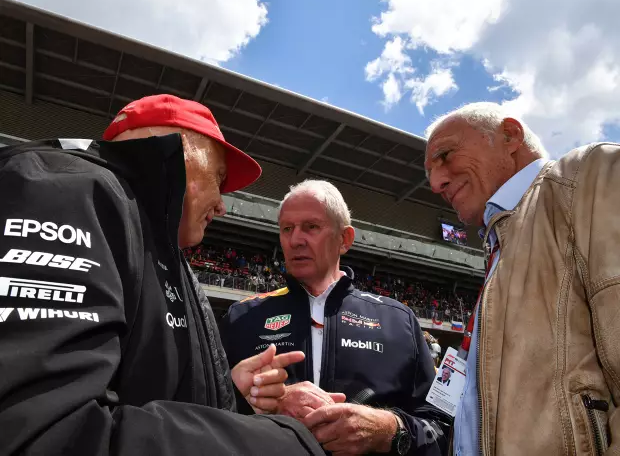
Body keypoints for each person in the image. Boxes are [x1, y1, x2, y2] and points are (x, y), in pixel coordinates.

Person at [0, 94, 324, 455]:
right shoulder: (68, 193)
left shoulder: (165, 249)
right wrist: (280, 441)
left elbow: (146, 395)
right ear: (182, 153)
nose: (222, 204)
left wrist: (230, 393)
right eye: (218, 178)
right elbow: (44, 434)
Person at [424, 101, 620, 455]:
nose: (437, 182)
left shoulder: (587, 175)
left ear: (510, 136)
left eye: (445, 155)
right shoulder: (502, 242)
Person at [220, 179, 450, 456]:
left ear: (344, 239)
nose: (295, 240)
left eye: (311, 227)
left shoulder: (398, 320)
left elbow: (441, 429)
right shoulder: (242, 317)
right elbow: (204, 412)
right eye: (287, 229)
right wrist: (256, 403)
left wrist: (388, 430)